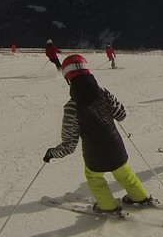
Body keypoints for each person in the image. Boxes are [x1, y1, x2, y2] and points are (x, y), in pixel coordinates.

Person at [43, 54, 152, 214]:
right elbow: (121, 115)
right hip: (116, 147)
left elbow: (69, 145)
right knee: (124, 172)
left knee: (94, 178)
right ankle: (140, 197)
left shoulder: (72, 107)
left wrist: (52, 153)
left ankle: (108, 207)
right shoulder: (104, 93)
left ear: (68, 78)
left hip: (94, 155)